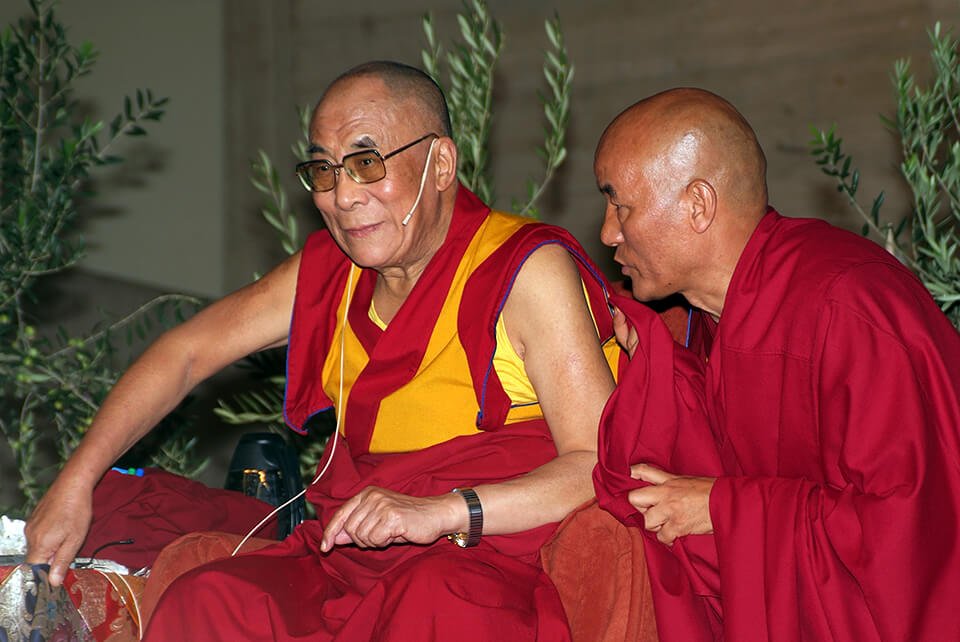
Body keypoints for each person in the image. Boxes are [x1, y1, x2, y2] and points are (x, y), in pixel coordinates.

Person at [26, 61, 620, 641]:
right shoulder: (332, 274)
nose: (342, 196)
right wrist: (75, 482)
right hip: (355, 558)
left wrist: (445, 510)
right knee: (209, 601)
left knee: (437, 602)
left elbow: (594, 463)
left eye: (366, 163)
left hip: (484, 558)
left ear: (441, 163)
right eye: (324, 171)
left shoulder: (522, 271)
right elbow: (186, 353)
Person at [592, 87, 960, 641]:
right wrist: (662, 370)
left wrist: (723, 509)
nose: (607, 233)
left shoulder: (847, 305)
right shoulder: (715, 319)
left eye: (621, 204)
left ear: (698, 205)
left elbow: (911, 533)